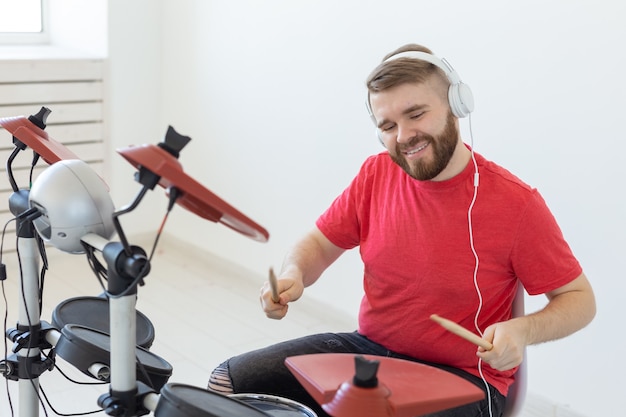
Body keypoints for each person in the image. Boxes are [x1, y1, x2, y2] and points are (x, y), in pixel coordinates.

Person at [207, 43, 596, 417]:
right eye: (388, 125)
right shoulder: (376, 173)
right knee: (226, 384)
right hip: (370, 354)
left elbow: (580, 300)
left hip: (463, 378)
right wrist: (293, 273)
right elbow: (318, 244)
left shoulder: (516, 202)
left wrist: (523, 331)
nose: (404, 136)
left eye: (416, 114)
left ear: (456, 106)